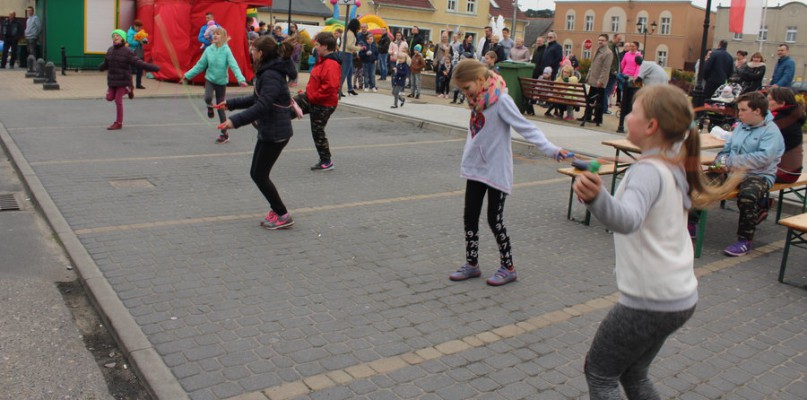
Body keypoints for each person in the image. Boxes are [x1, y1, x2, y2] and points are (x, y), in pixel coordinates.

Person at [573, 84, 739, 400]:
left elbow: (627, 220)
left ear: (651, 126)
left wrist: (596, 198)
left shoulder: (647, 170)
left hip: (649, 301)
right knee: (634, 373)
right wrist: (600, 199)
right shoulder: (672, 165)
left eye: (633, 111)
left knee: (599, 373)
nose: (627, 115)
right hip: (678, 298)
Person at [448, 59, 570, 286]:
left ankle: (508, 267)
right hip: (476, 167)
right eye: (462, 89)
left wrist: (551, 149)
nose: (465, 93)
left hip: (496, 169)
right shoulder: (477, 100)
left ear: (480, 79)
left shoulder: (501, 100)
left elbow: (526, 127)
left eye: (466, 88)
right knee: (470, 216)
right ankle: (472, 264)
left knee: (494, 220)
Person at [215, 36, 297, 230]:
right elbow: (257, 98)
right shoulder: (268, 71)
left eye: (253, 50)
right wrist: (230, 104)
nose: (251, 53)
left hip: (276, 132)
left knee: (259, 175)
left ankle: (282, 214)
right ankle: (277, 210)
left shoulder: (271, 75)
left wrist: (234, 121)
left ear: (261, 53)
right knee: (257, 173)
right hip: (270, 129)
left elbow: (262, 105)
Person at [690, 91, 784, 256]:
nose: (739, 113)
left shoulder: (772, 132)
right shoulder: (740, 126)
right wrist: (720, 163)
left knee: (748, 196)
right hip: (731, 171)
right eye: (739, 109)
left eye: (743, 110)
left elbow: (763, 158)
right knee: (702, 183)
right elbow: (726, 149)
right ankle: (690, 223)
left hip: (758, 174)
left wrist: (729, 162)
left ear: (757, 111)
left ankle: (745, 240)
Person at [184, 27, 248, 144]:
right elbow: (200, 65)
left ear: (223, 37)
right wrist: (187, 76)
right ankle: (209, 107)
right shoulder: (208, 50)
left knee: (220, 108)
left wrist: (241, 79)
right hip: (210, 79)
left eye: (217, 34)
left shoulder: (226, 51)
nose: (214, 35)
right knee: (207, 98)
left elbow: (234, 65)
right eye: (213, 34)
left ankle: (224, 134)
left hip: (221, 82)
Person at [290, 32, 341, 171]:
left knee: (317, 131)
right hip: (314, 98)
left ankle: (326, 161)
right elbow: (317, 81)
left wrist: (313, 96)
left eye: (318, 44)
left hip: (324, 104)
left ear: (325, 46)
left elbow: (330, 87)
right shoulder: (323, 60)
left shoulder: (331, 63)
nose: (316, 47)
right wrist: (309, 92)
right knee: (292, 105)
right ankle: (267, 122)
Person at [99, 30, 160, 130]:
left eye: (118, 36)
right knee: (109, 98)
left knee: (118, 100)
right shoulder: (110, 50)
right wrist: (100, 67)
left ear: (123, 38)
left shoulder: (127, 51)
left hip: (123, 80)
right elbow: (106, 63)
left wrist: (154, 68)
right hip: (112, 80)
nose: (115, 37)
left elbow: (139, 63)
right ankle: (129, 89)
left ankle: (118, 123)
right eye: (113, 36)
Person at [768, 87, 805, 184]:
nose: (767, 103)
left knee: (738, 173)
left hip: (783, 172)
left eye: (770, 100)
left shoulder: (778, 118)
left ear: (782, 103)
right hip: (793, 171)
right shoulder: (791, 115)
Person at [582, 34, 613, 125]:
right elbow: (592, 65)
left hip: (600, 81)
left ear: (606, 41)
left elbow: (605, 69)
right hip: (593, 78)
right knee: (590, 99)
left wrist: (601, 80)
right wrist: (588, 76)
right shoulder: (597, 50)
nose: (600, 42)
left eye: (602, 40)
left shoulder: (608, 53)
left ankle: (598, 119)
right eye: (599, 40)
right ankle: (587, 116)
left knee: (599, 101)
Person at [340, 18, 360, 97]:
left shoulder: (346, 32)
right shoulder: (351, 33)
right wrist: (359, 48)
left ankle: (350, 88)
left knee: (350, 72)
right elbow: (349, 46)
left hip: (343, 52)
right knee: (344, 72)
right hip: (347, 54)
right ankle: (338, 89)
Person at [127, 20, 148, 90]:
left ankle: (138, 84)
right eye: (138, 27)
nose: (139, 29)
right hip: (132, 52)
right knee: (130, 69)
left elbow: (145, 39)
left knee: (140, 68)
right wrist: (139, 41)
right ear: (135, 26)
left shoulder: (141, 32)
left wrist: (145, 41)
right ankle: (129, 84)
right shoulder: (130, 32)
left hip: (139, 51)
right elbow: (130, 42)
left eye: (140, 27)